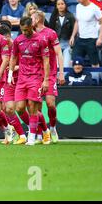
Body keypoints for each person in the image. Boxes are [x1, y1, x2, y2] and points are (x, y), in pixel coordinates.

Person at [8, 16, 50, 146]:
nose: (24, 32)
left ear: (32, 26)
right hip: (21, 79)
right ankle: (43, 130)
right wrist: (10, 74)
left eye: (26, 30)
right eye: (22, 30)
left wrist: (46, 80)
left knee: (32, 107)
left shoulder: (41, 39)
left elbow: (46, 60)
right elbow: (13, 57)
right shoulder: (18, 40)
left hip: (36, 77)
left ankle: (31, 137)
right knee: (20, 108)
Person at [32, 10, 65, 144]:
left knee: (50, 104)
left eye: (32, 18)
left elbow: (59, 53)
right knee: (37, 107)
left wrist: (61, 72)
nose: (30, 20)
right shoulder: (30, 34)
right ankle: (40, 133)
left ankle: (52, 127)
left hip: (50, 73)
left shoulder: (50, 33)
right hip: (35, 74)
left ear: (39, 19)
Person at [0, 23, 27, 145]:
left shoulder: (18, 45)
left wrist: (13, 69)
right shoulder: (1, 47)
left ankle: (41, 130)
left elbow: (28, 62)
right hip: (7, 81)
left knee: (24, 109)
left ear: (7, 37)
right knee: (7, 108)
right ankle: (21, 135)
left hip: (22, 80)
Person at [70, 0, 102, 67]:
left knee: (95, 64)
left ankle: (96, 79)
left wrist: (100, 38)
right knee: (74, 62)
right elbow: (77, 21)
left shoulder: (94, 8)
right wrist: (73, 36)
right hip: (80, 39)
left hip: (91, 40)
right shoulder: (78, 6)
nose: (77, 0)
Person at [49, 0, 76, 68]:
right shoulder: (53, 17)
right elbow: (50, 31)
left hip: (67, 44)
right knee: (57, 66)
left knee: (66, 65)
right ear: (56, 6)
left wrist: (72, 45)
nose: (60, 6)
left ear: (65, 5)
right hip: (56, 44)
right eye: (58, 4)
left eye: (62, 4)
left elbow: (74, 31)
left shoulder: (70, 16)